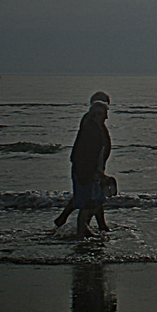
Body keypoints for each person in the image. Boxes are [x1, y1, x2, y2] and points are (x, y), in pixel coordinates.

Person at [53, 91, 113, 237]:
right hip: (88, 167)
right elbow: (87, 152)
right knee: (89, 198)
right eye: (105, 107)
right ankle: (85, 227)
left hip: (94, 166)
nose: (107, 113)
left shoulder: (95, 123)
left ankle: (90, 224)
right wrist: (96, 171)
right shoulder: (90, 124)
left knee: (93, 197)